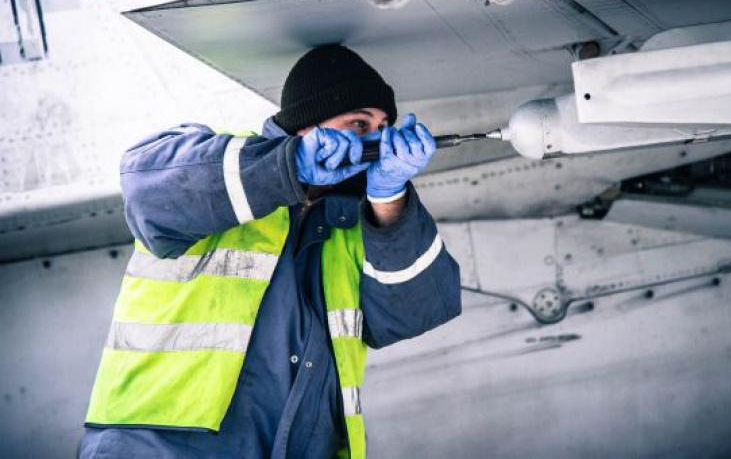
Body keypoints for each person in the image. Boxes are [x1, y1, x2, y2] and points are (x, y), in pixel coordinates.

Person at [79, 45, 462, 458]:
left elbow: (416, 313)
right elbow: (146, 188)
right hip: (164, 447)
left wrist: (389, 198)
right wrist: (287, 166)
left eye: (383, 127)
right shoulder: (223, 173)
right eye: (359, 123)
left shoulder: (356, 220)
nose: (377, 140)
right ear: (306, 128)